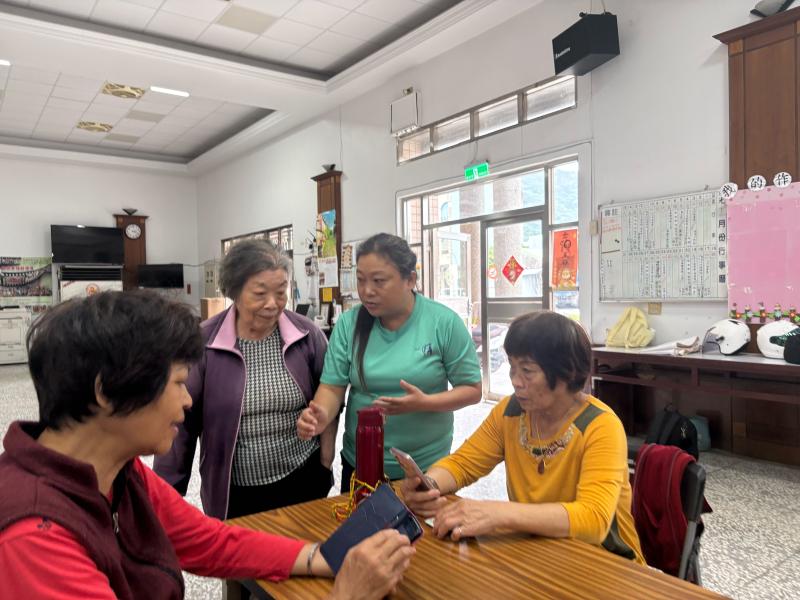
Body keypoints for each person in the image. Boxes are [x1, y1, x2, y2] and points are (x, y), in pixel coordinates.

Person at [0, 291, 413, 600]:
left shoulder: (116, 471)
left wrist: (323, 556)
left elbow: (209, 542)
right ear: (106, 392)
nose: (188, 399)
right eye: (178, 382)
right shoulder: (35, 538)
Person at [401, 311, 645, 565]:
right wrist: (429, 485)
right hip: (544, 554)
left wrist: (496, 513)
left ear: (567, 374)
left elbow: (593, 519)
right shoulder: (511, 412)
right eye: (512, 367)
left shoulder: (600, 426)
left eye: (527, 371)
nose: (515, 381)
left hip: (607, 563)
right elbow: (463, 464)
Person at [155, 240, 334, 519]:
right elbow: (180, 422)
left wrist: (325, 462)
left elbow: (331, 393)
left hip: (302, 478)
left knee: (304, 558)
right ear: (234, 291)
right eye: (260, 293)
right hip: (234, 490)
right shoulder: (204, 342)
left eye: (281, 292)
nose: (273, 304)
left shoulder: (307, 334)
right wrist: (166, 494)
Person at [298, 233, 482, 489]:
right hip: (362, 461)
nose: (367, 291)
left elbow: (472, 390)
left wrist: (424, 403)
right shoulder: (349, 324)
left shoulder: (443, 323)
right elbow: (332, 388)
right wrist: (320, 416)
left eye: (379, 281)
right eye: (360, 280)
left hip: (425, 465)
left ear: (410, 279)